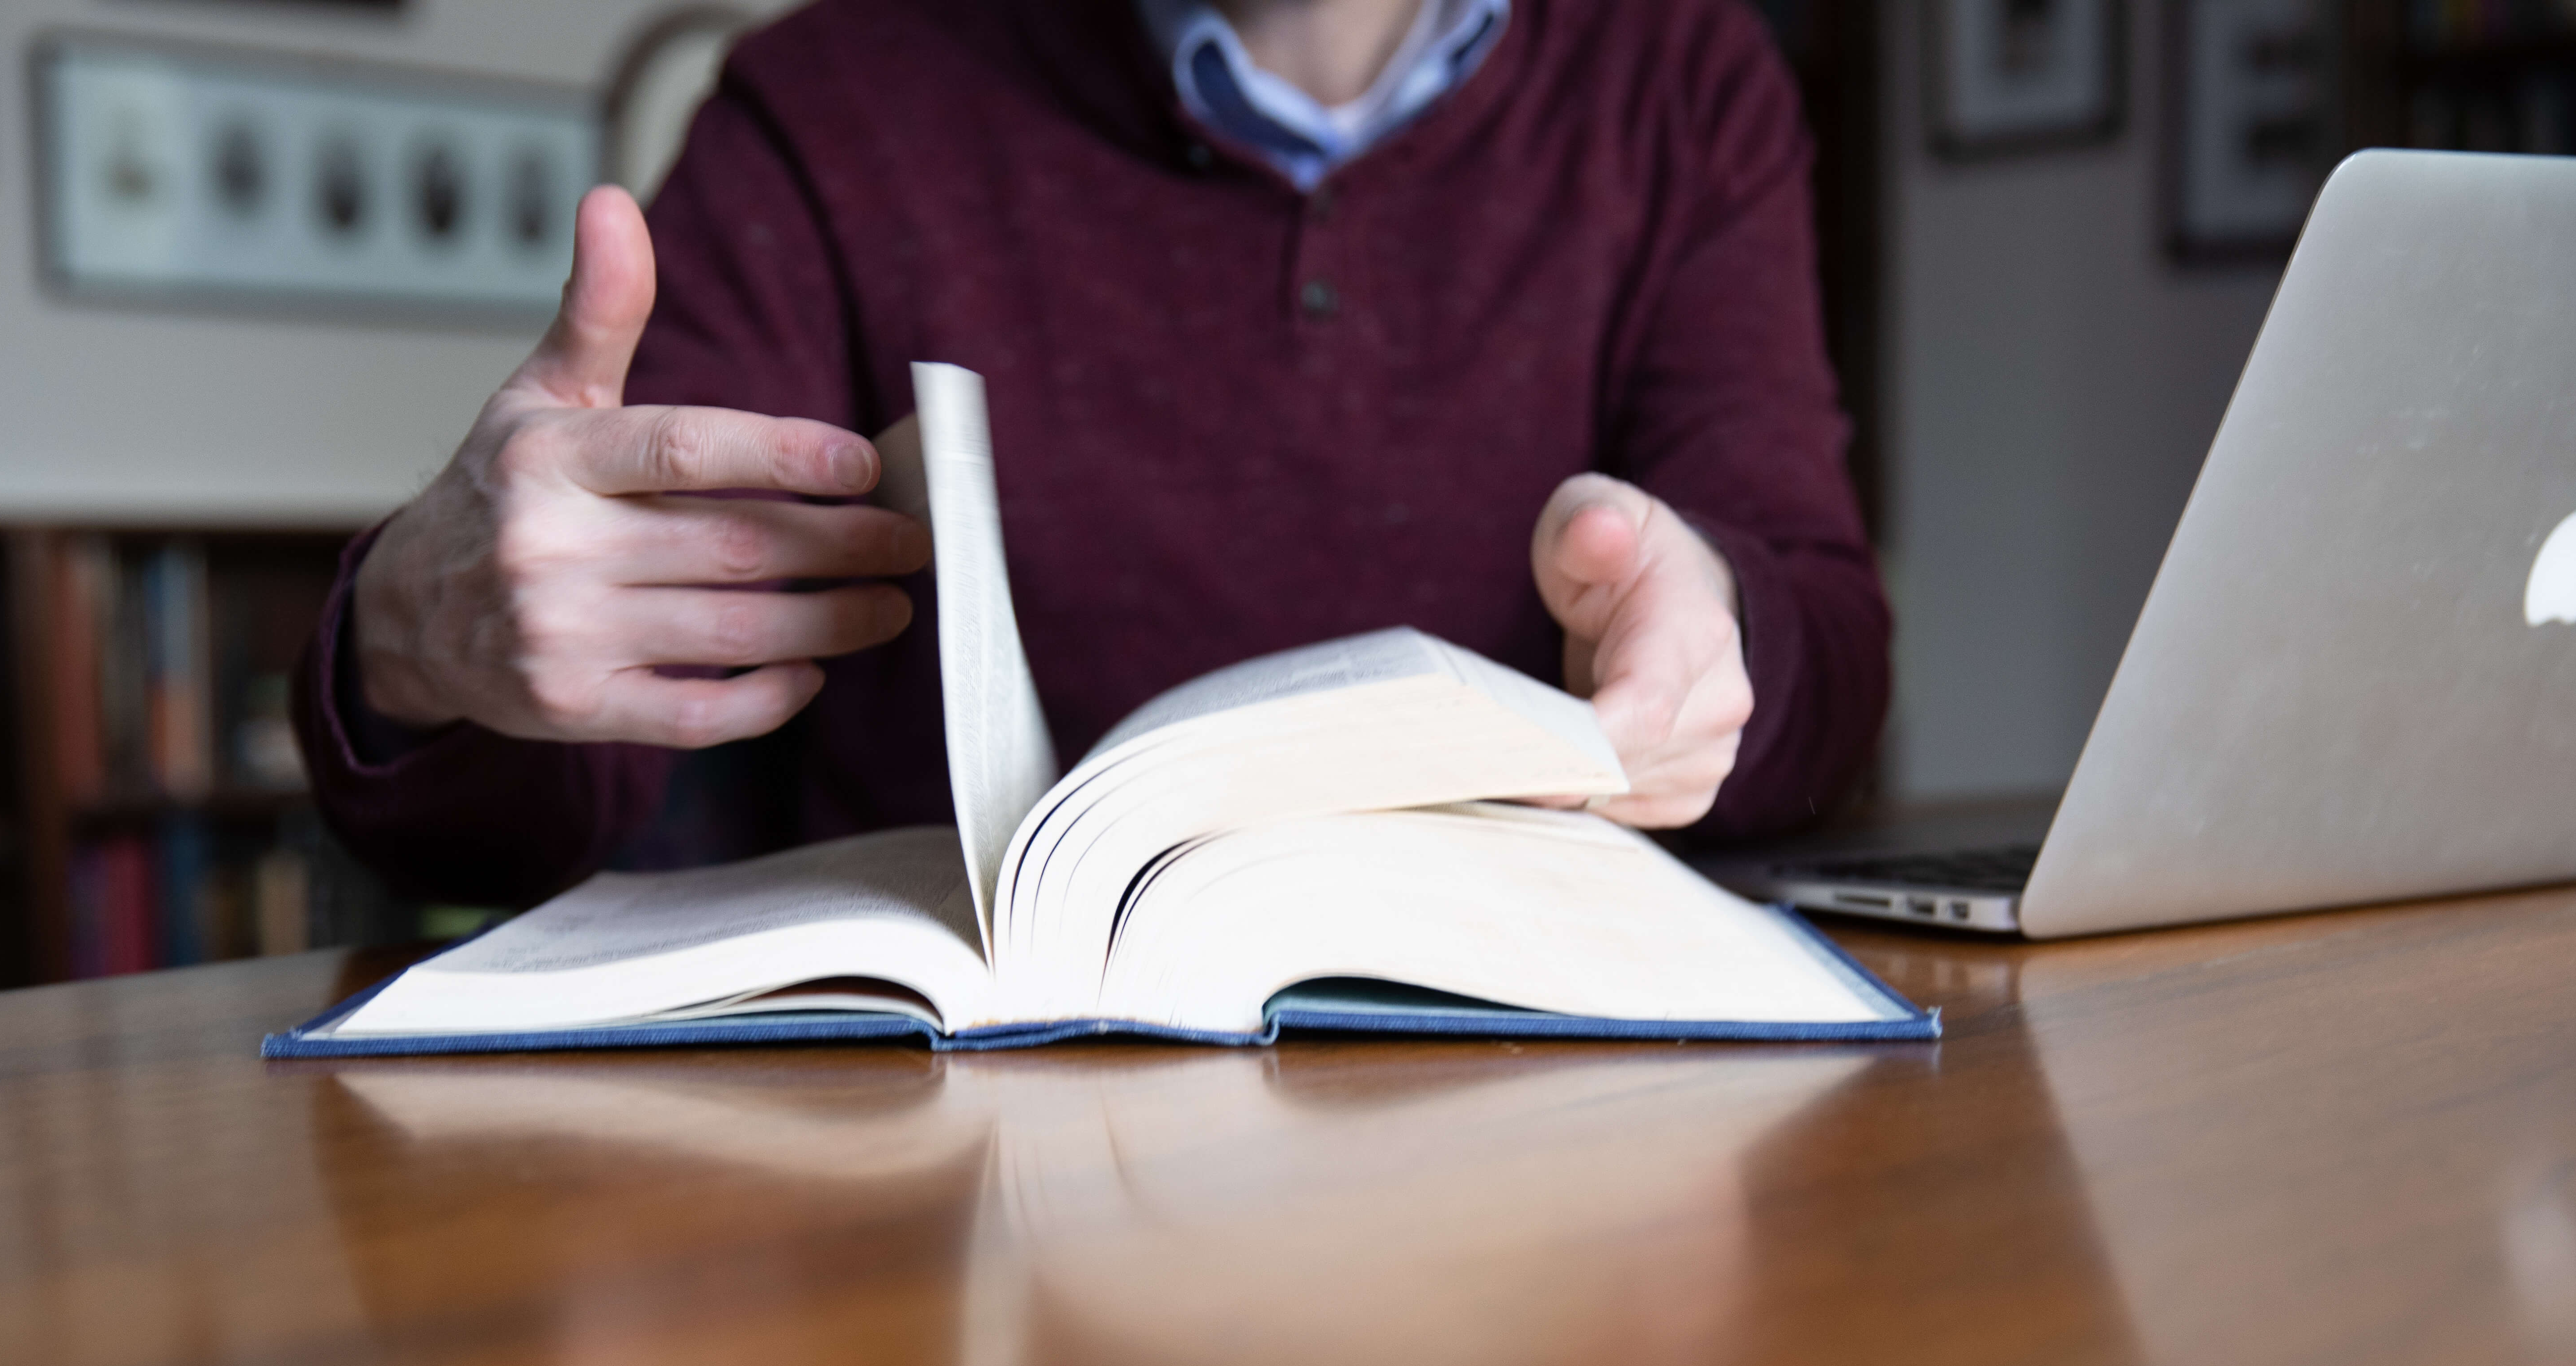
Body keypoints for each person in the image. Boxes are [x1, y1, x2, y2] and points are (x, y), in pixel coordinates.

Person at [303, 0, 1888, 907]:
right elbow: (576, 751)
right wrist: (423, 638)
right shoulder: (831, 104)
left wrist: (1712, 650)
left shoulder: (1685, 86)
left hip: (1537, 1127)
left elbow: (1822, 653)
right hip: (945, 1167)